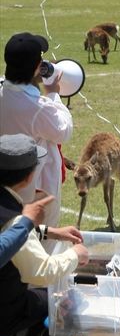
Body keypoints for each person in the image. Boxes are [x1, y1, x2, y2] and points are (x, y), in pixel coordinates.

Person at [0, 133, 89, 336]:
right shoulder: (16, 221)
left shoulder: (9, 211)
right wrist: (75, 254)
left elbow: (13, 233)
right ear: (29, 177)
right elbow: (43, 271)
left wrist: (51, 232)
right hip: (3, 311)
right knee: (59, 301)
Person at [0, 32, 73, 231]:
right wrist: (53, 94)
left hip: (6, 183)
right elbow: (63, 130)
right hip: (36, 185)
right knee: (40, 238)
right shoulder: (38, 107)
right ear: (35, 68)